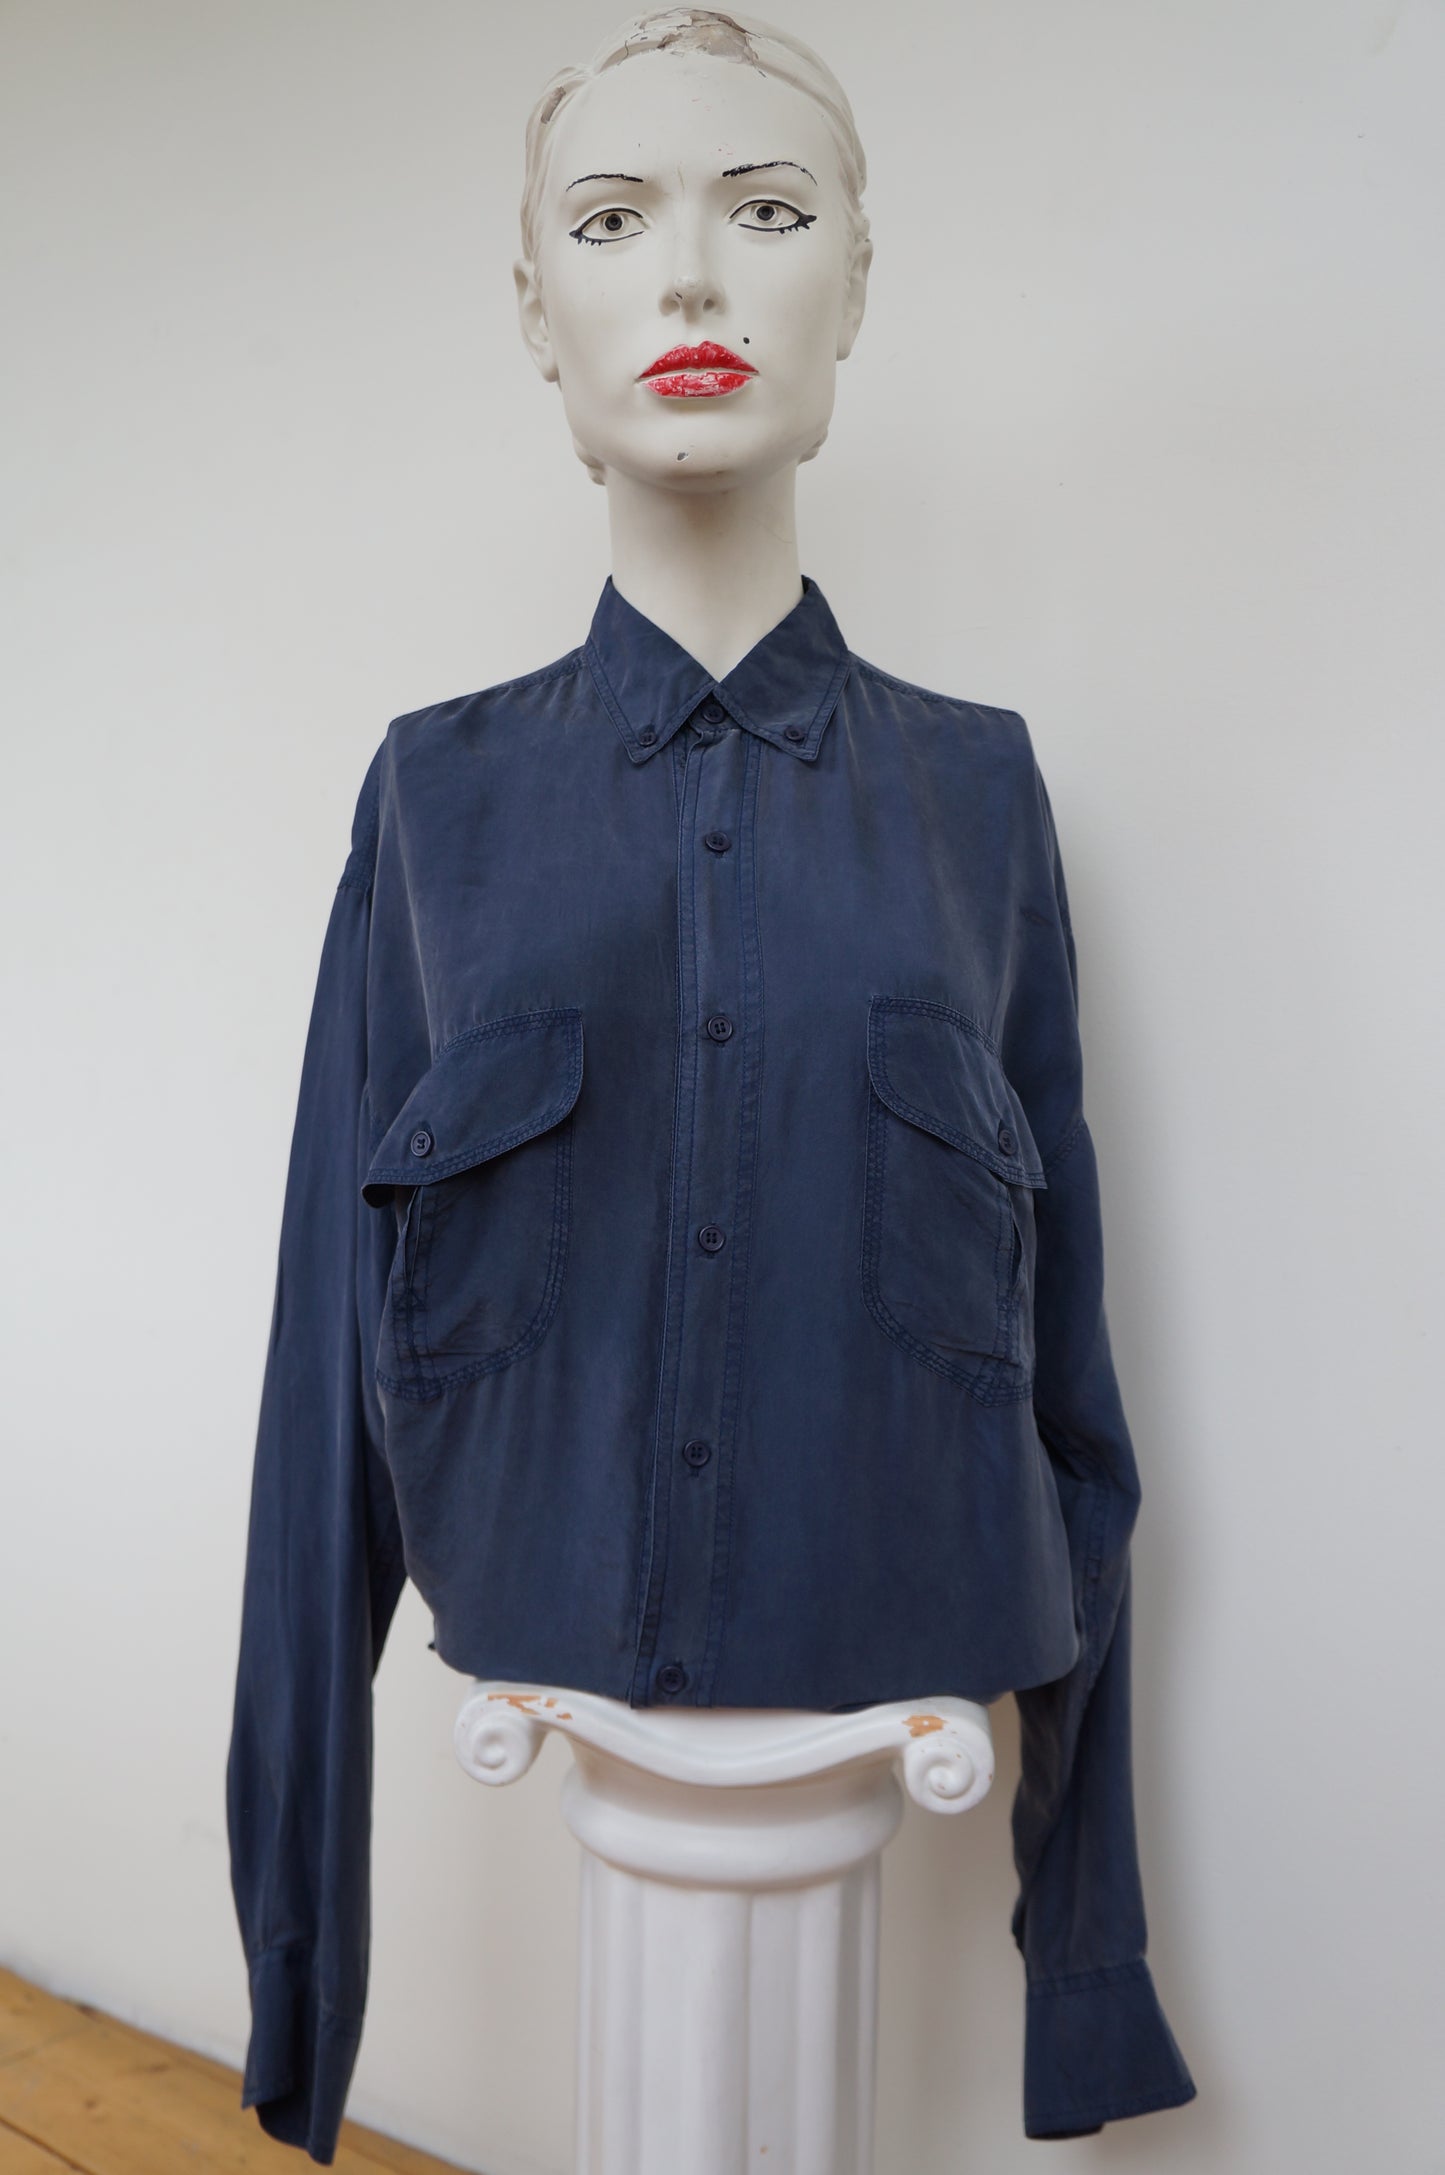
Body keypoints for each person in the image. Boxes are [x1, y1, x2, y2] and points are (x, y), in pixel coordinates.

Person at [227, 9, 1198, 2160]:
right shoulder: (435, 799)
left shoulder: (980, 795)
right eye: (610, 220)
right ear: (535, 309)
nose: (688, 277)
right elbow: (323, 1372)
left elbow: (1068, 1374)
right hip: (555, 1643)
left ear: (854, 280)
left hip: (897, 1646)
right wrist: (305, 1965)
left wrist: (1086, 1965)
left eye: (765, 210)